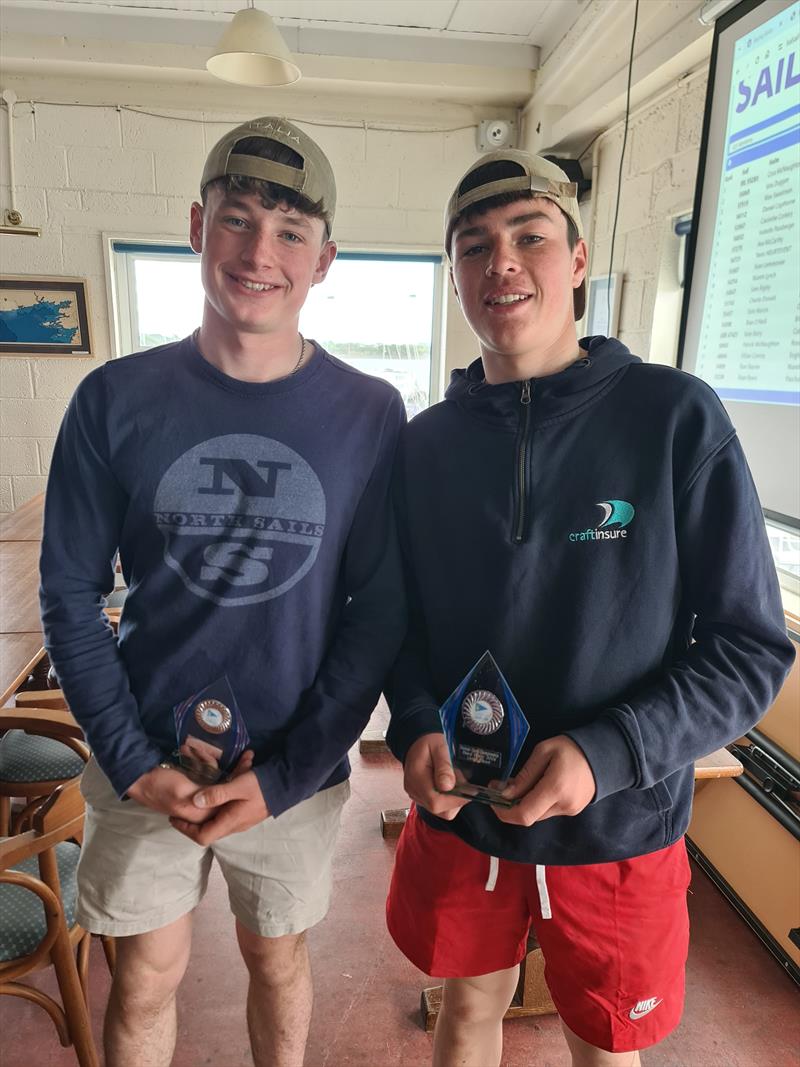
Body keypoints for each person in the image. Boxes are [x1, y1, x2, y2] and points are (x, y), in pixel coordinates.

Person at [384, 150, 795, 1067]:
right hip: (464, 814)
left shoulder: (675, 418)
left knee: (607, 1046)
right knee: (466, 1013)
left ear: (576, 261)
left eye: (530, 236)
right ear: (454, 278)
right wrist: (413, 723)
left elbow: (749, 646)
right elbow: (396, 624)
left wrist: (608, 753)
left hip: (620, 824)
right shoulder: (423, 448)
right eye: (475, 246)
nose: (503, 263)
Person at [40, 116, 406, 1067]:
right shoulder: (113, 400)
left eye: (290, 233)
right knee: (145, 977)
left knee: (276, 960)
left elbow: (379, 614)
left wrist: (284, 774)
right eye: (238, 220)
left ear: (325, 260)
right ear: (196, 227)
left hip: (293, 765)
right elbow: (70, 597)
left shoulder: (371, 412)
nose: (259, 253)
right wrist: (128, 760)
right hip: (144, 759)